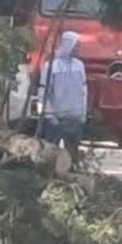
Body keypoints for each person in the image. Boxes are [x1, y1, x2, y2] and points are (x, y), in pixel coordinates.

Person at [38, 31, 88, 165]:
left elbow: (83, 90)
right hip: (56, 118)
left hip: (75, 118)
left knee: (72, 151)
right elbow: (43, 93)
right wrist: (47, 114)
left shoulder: (80, 65)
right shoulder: (51, 66)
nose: (78, 48)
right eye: (76, 45)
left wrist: (83, 113)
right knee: (51, 151)